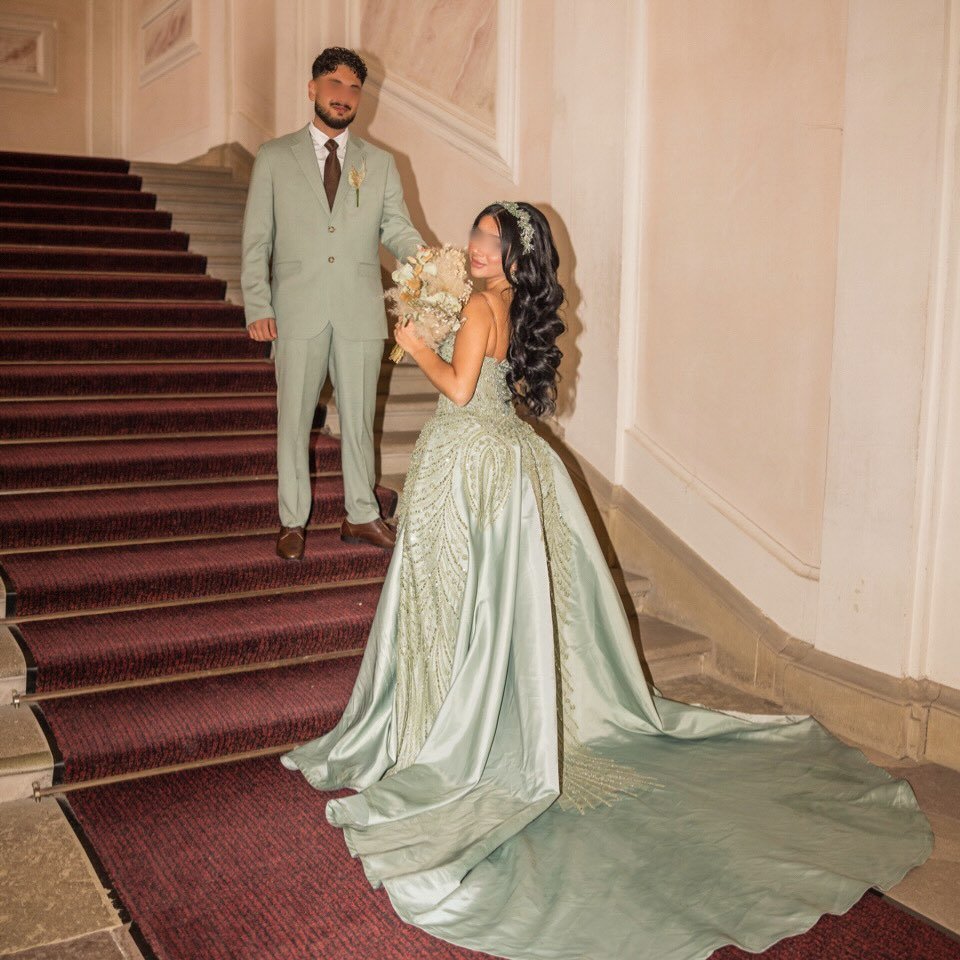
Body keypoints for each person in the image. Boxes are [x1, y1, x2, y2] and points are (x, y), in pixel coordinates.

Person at [279, 202, 934, 960]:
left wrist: (417, 343)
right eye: (478, 234)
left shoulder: (483, 306)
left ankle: (440, 736)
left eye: (492, 240)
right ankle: (455, 722)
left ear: (516, 256)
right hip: (495, 460)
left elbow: (458, 391)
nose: (478, 246)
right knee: (473, 607)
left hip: (467, 465)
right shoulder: (501, 304)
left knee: (455, 604)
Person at [241, 47, 424, 561]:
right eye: (335, 84)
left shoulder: (380, 163)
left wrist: (427, 263)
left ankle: (361, 514)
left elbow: (396, 227)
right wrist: (258, 304)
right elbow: (257, 239)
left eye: (354, 89)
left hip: (358, 309)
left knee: (360, 420)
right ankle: (292, 520)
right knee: (294, 420)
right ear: (313, 89)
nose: (344, 96)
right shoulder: (274, 157)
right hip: (296, 309)